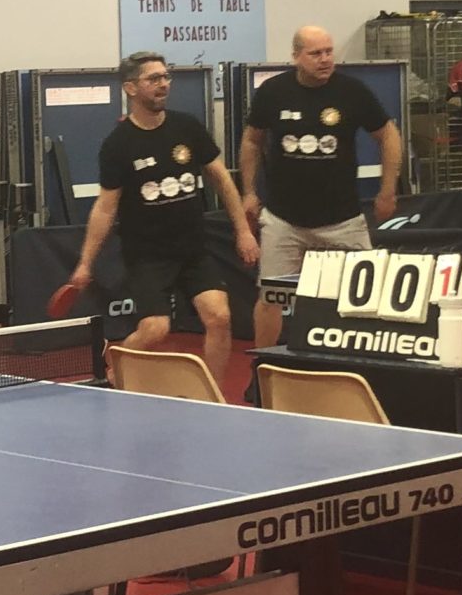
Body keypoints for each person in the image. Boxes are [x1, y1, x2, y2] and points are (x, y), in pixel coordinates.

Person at [68, 52, 257, 376]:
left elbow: (222, 180)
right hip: (147, 256)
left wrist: (243, 231)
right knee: (155, 329)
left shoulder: (187, 127)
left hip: (193, 250)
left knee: (220, 317)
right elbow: (105, 207)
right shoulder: (118, 144)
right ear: (130, 87)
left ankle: (211, 395)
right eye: (153, 78)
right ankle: (115, 364)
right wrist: (86, 263)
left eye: (165, 77)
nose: (163, 84)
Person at [236, 26, 401, 349]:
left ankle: (364, 364)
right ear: (296, 56)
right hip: (284, 221)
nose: (325, 59)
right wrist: (249, 192)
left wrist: (387, 190)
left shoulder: (352, 92)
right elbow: (252, 141)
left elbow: (388, 135)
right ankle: (263, 363)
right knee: (270, 298)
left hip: (343, 220)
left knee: (364, 296)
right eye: (315, 54)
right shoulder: (273, 91)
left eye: (328, 52)